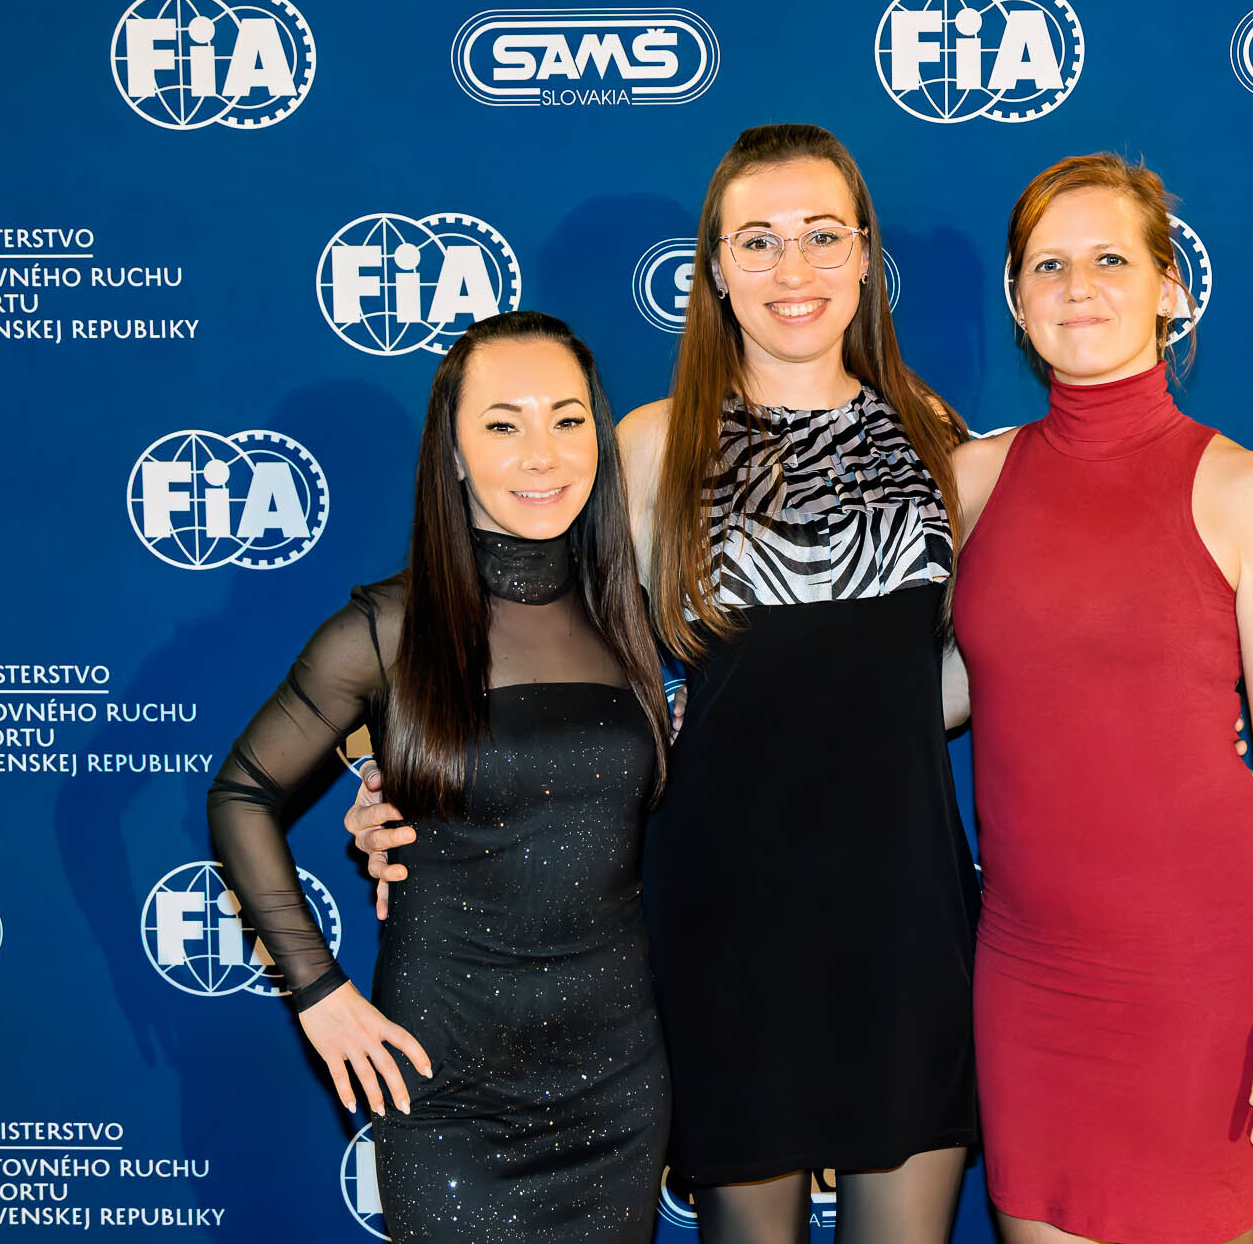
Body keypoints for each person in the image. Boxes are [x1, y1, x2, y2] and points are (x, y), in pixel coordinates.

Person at [353, 124, 983, 1244]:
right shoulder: (649, 448)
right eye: (757, 241)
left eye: (820, 235)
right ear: (715, 270)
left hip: (905, 908)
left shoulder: (935, 439)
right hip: (725, 915)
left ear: (862, 254)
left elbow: (976, 665)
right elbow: (515, 636)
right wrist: (386, 769)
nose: (791, 268)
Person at [207, 311, 674, 1242]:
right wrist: (317, 991)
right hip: (447, 1077)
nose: (542, 453)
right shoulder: (387, 628)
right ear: (453, 454)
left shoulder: (630, 616)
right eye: (503, 424)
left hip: (619, 1077)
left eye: (568, 419)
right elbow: (242, 794)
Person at [949, 154, 1253, 1244]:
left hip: (1199, 977)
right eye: (1049, 265)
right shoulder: (973, 481)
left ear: (1171, 288)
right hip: (1027, 972)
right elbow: (940, 686)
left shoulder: (1247, 493)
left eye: (1111, 260)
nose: (1079, 287)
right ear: (1017, 299)